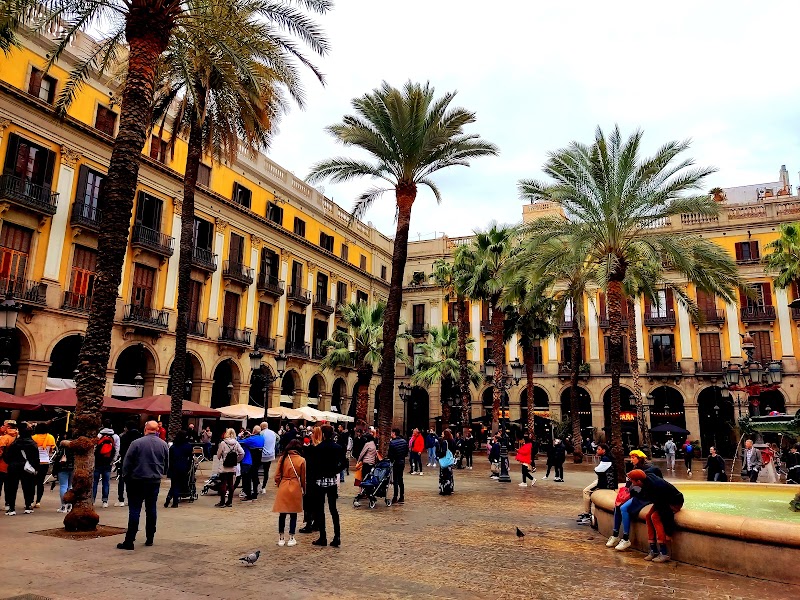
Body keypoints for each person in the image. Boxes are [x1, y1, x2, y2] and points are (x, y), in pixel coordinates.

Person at [117, 420, 169, 550]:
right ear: (157, 430)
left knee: (135, 510)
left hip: (136, 480)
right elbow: (167, 464)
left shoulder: (136, 443)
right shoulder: (163, 445)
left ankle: (130, 540)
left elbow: (127, 463)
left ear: (145, 429)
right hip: (154, 481)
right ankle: (150, 537)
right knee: (151, 509)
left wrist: (126, 477)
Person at [629, 469, 684, 563]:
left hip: (673, 502)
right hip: (663, 500)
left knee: (655, 517)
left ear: (638, 481)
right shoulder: (646, 480)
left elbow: (666, 512)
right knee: (648, 516)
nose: (631, 482)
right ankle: (653, 549)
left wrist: (668, 532)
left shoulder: (655, 487)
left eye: (632, 480)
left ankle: (664, 552)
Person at [313, 425, 345, 547]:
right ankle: (337, 536)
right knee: (333, 509)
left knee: (320, 509)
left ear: (323, 434)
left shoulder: (319, 448)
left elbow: (315, 465)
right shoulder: (338, 447)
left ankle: (323, 537)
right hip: (332, 480)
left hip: (321, 481)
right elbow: (344, 463)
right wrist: (335, 471)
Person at [273, 439, 306, 547]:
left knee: (282, 513)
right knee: (293, 513)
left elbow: (277, 475)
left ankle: (281, 537)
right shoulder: (301, 460)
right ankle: (291, 537)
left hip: (284, 485)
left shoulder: (283, 458)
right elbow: (303, 478)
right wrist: (304, 489)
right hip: (295, 485)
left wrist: (280, 484)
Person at [577, 443, 617, 525]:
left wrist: (596, 468)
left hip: (605, 483)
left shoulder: (606, 459)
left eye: (599, 449)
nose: (597, 450)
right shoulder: (607, 457)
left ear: (604, 450)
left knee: (586, 491)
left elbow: (598, 470)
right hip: (604, 481)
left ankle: (587, 515)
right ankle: (587, 513)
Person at [3, 422, 38, 515]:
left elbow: (7, 456)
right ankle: (28, 506)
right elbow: (36, 458)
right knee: (28, 487)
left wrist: (10, 463)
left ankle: (11, 508)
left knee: (12, 487)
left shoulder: (14, 443)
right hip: (27, 467)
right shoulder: (32, 443)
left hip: (13, 466)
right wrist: (35, 467)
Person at [299, 427, 322, 534]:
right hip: (320, 480)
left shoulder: (311, 449)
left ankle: (308, 524)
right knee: (317, 502)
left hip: (311, 478)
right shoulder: (322, 448)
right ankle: (316, 523)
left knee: (308, 502)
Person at [216, 428, 244, 507]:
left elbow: (218, 454)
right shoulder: (236, 443)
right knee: (231, 483)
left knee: (223, 483)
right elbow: (242, 453)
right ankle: (230, 501)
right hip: (232, 466)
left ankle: (222, 502)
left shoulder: (223, 443)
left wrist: (222, 458)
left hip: (224, 466)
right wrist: (237, 460)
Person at [94, 420, 119, 508]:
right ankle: (105, 501)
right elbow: (116, 449)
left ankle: (92, 500)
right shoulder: (115, 436)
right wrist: (113, 461)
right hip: (108, 462)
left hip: (97, 462)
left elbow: (94, 448)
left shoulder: (99, 435)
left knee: (95, 482)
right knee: (106, 482)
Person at [164, 430, 193, 508]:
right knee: (178, 484)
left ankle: (170, 498)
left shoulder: (173, 446)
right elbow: (190, 458)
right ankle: (174, 501)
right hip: (183, 466)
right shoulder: (188, 446)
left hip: (174, 466)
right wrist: (189, 467)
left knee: (174, 484)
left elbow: (169, 458)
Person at [115, 420, 141, 507]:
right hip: (137, 462)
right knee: (136, 481)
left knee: (122, 480)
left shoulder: (123, 437)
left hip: (125, 460)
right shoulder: (140, 437)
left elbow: (120, 450)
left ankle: (121, 499)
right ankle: (134, 498)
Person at [31, 422, 56, 508]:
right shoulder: (50, 437)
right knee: (40, 482)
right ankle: (38, 501)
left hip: (34, 462)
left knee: (32, 482)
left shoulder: (34, 438)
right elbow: (50, 451)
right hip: (45, 462)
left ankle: (30, 500)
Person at [238, 426, 265, 501]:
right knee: (255, 477)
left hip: (250, 461)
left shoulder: (250, 439)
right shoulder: (262, 438)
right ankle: (255, 493)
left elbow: (239, 442)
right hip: (258, 461)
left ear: (254, 431)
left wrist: (239, 436)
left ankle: (248, 495)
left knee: (247, 478)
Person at [52, 432, 74, 513]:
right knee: (70, 486)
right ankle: (70, 505)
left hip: (63, 467)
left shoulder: (63, 447)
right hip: (73, 468)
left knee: (63, 486)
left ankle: (63, 505)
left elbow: (57, 457)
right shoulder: (75, 446)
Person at [0, 420, 19, 508]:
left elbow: (0, 451)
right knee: (10, 486)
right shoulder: (18, 437)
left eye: (3, 425)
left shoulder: (4, 438)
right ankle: (8, 504)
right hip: (14, 465)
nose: (1, 427)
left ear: (8, 427)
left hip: (2, 465)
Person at [388, 428, 409, 504]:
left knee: (395, 480)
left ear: (394, 433)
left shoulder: (392, 443)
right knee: (400, 479)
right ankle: (402, 496)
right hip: (402, 462)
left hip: (395, 462)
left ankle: (395, 497)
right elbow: (406, 453)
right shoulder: (404, 442)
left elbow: (390, 455)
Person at [259, 422, 277, 493]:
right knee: (266, 471)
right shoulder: (273, 433)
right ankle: (264, 487)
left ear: (262, 427)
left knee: (255, 470)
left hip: (262, 455)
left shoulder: (261, 433)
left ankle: (258, 485)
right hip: (271, 454)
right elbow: (278, 438)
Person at [437, 429, 455, 495]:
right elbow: (454, 450)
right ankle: (450, 488)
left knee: (444, 475)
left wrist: (438, 456)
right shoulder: (452, 441)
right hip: (450, 460)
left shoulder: (444, 442)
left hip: (445, 460)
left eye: (442, 434)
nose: (441, 435)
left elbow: (443, 452)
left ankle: (445, 489)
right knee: (449, 475)